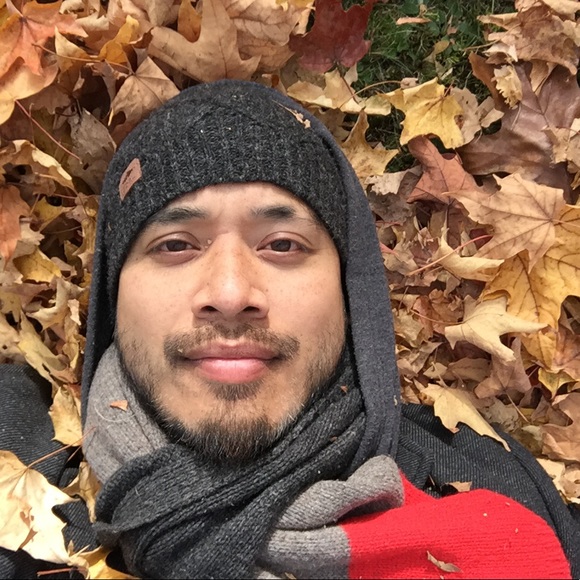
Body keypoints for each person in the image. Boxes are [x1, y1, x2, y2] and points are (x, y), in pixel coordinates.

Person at [1, 80, 579, 579]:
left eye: (282, 244)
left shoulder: (497, 485)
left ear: (350, 292)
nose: (231, 294)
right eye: (175, 245)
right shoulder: (14, 468)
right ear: (114, 295)